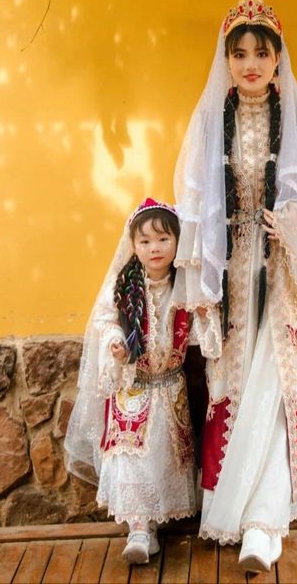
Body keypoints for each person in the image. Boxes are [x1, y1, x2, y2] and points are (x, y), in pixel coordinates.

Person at [173, 0, 297, 571]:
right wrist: (204, 278)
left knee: (277, 384)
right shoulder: (210, 122)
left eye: (261, 52)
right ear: (226, 60)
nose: (250, 64)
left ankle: (263, 520)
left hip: (284, 271)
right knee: (235, 379)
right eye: (239, 54)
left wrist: (295, 222)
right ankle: (233, 506)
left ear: (278, 58)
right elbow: (194, 202)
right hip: (234, 272)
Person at [64, 198, 201, 564]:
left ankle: (156, 523)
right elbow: (105, 319)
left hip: (170, 386)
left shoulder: (186, 285)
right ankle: (139, 529)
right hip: (133, 387)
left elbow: (201, 329)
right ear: (133, 245)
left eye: (163, 239)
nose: (154, 248)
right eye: (145, 241)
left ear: (177, 241)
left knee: (163, 457)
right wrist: (115, 342)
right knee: (131, 457)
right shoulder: (125, 285)